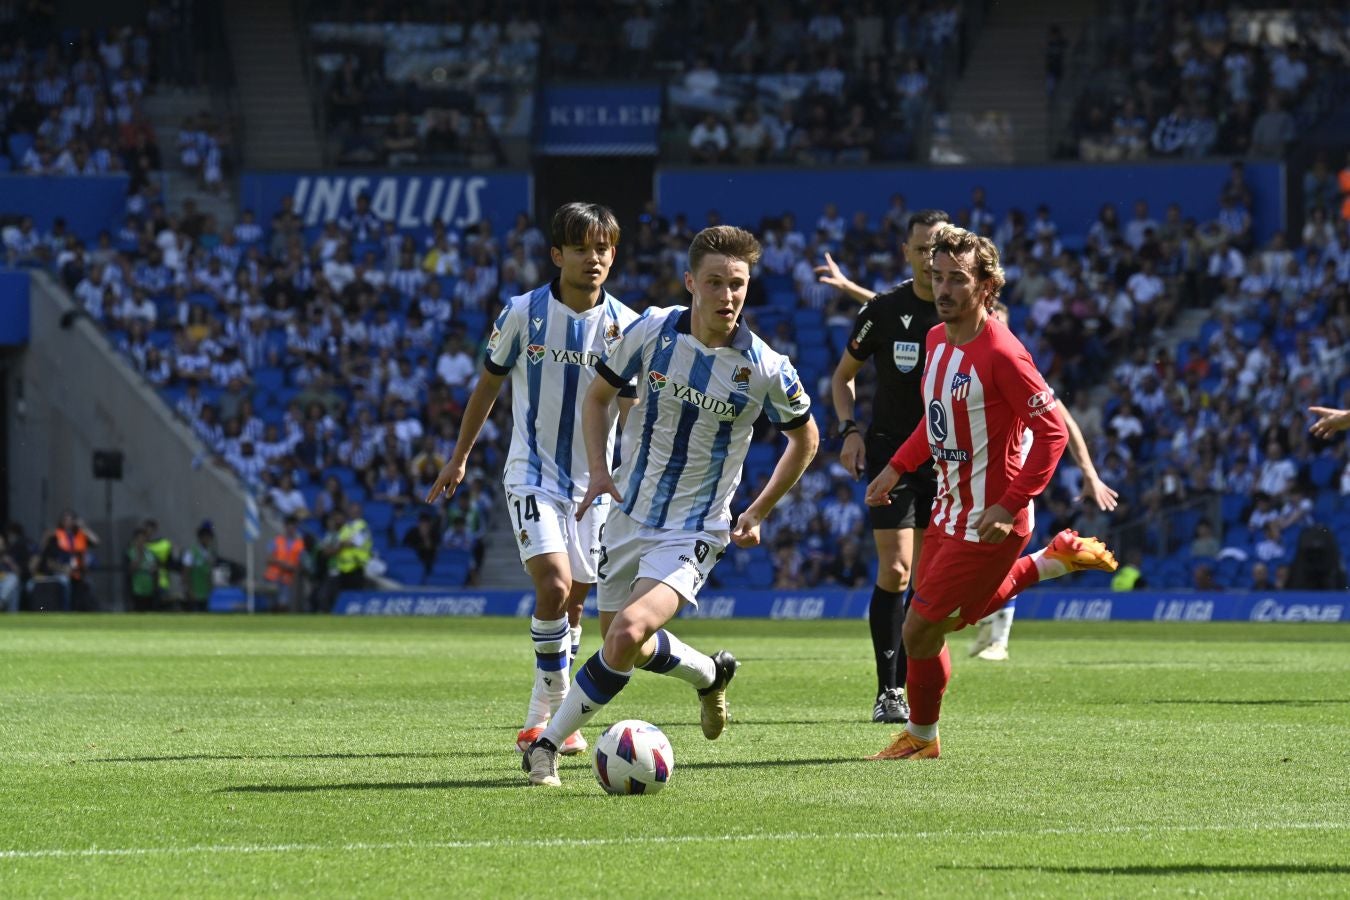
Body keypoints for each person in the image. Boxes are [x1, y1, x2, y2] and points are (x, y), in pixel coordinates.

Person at [519, 224, 820, 787]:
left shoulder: (766, 368)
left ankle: (546, 744)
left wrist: (757, 510)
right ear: (691, 283)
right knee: (623, 644)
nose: (727, 296)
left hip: (695, 529)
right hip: (628, 516)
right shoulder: (652, 330)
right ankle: (709, 675)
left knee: (627, 633)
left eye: (737, 284)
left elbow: (806, 438)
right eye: (715, 282)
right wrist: (601, 472)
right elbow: (598, 395)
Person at [863, 224, 1117, 760]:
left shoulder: (1002, 353)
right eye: (937, 278)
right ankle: (1051, 561)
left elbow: (1051, 432)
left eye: (958, 279)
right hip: (950, 507)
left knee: (919, 630)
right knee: (943, 623)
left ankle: (922, 738)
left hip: (991, 519)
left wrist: (1008, 503)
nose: (945, 290)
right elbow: (936, 424)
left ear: (986, 286)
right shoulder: (936, 340)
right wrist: (895, 468)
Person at [426, 203, 641, 760]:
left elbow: (635, 409)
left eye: (603, 248)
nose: (593, 258)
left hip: (596, 484)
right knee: (552, 584)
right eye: (581, 248)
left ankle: (544, 721)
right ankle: (555, 712)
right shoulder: (522, 313)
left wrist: (636, 474)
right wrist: (459, 457)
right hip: (532, 473)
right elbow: (488, 386)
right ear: (557, 255)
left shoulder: (627, 325)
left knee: (573, 605)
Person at [822, 208, 949, 724]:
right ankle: (887, 692)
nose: (927, 259)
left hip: (948, 459)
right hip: (891, 457)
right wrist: (849, 430)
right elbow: (841, 378)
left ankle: (919, 686)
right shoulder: (883, 311)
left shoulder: (965, 312)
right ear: (906, 252)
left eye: (937, 251)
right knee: (895, 571)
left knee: (928, 580)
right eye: (920, 249)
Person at [967, 301, 1120, 661]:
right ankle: (990, 622)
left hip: (1006, 484)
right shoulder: (968, 363)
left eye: (999, 321)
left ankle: (999, 639)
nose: (992, 327)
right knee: (964, 587)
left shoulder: (1016, 367)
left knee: (959, 590)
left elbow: (1061, 424)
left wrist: (1089, 473)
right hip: (972, 480)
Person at [264, 515, 306, 611]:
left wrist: (292, 567)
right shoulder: (276, 541)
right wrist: (281, 563)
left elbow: (300, 563)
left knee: (283, 605)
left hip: (287, 579)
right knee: (271, 605)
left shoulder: (300, 544)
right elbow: (268, 559)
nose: (291, 529)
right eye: (289, 526)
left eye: (293, 527)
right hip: (272, 578)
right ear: (285, 527)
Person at [180, 521, 218, 611]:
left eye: (209, 537)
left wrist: (211, 586)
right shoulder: (191, 552)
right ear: (200, 538)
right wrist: (188, 590)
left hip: (205, 592)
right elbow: (186, 572)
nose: (208, 539)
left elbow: (209, 571)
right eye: (205, 537)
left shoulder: (210, 553)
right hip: (194, 592)